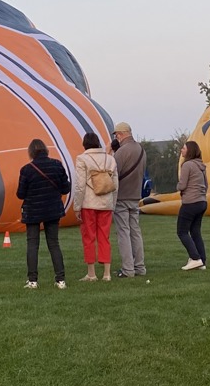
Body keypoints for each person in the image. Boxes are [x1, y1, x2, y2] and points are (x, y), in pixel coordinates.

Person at [17, 138, 71, 289]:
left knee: (32, 244)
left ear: (31, 152)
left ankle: (33, 280)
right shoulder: (57, 165)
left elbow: (20, 194)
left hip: (33, 211)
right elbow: (65, 188)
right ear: (46, 150)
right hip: (53, 209)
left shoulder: (26, 170)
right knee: (54, 243)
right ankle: (61, 280)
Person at [71, 131, 117, 281]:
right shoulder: (110, 159)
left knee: (89, 237)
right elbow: (115, 184)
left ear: (84, 144)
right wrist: (113, 204)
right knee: (105, 237)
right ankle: (107, 273)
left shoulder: (82, 159)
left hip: (89, 203)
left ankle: (91, 273)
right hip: (106, 203)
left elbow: (79, 186)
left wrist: (77, 206)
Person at [111, 122, 148, 278]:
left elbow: (113, 174)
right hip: (135, 196)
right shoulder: (141, 150)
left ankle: (128, 269)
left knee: (123, 233)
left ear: (120, 134)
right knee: (136, 232)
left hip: (122, 197)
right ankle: (140, 267)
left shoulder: (120, 152)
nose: (116, 138)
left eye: (116, 135)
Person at [177, 140, 208, 270]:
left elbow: (182, 185)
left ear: (189, 151)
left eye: (183, 148)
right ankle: (202, 260)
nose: (181, 150)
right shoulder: (201, 166)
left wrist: (178, 186)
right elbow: (206, 185)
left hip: (190, 202)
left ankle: (195, 258)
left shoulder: (187, 165)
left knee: (182, 231)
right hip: (202, 202)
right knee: (195, 232)